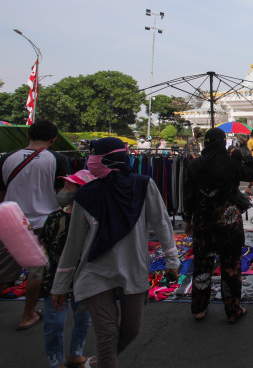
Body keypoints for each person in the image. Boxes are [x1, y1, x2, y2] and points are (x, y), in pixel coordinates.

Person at [51, 138, 179, 368]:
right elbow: (74, 243)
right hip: (95, 273)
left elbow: (161, 223)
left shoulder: (143, 186)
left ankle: (100, 361)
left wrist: (172, 259)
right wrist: (60, 285)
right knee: (108, 332)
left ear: (107, 160)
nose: (90, 161)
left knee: (132, 329)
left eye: (94, 156)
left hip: (133, 268)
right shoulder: (86, 196)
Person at [0, 119, 69, 331]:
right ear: (53, 139)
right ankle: (27, 315)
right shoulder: (58, 160)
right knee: (37, 271)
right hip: (44, 222)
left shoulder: (6, 158)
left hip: (10, 222)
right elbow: (62, 193)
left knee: (3, 271)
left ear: (28, 136)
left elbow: (2, 192)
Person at [184, 128, 253, 323]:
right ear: (223, 142)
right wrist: (245, 157)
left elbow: (189, 194)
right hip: (228, 222)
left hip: (203, 221)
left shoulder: (195, 165)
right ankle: (233, 310)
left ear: (207, 142)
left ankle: (199, 309)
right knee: (231, 268)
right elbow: (252, 174)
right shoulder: (231, 163)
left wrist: (187, 220)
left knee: (202, 266)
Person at [40, 170, 96, 368]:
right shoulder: (54, 218)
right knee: (54, 322)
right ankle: (55, 361)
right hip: (54, 277)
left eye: (68, 188)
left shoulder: (93, 220)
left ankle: (75, 353)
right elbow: (44, 244)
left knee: (83, 318)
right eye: (63, 187)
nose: (63, 192)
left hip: (83, 277)